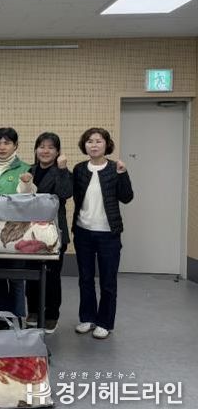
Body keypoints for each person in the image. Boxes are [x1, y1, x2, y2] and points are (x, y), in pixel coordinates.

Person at [72, 127, 133, 340]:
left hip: (109, 233)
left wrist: (123, 174)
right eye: (90, 141)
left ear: (107, 144)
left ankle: (104, 322)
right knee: (85, 278)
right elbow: (72, 194)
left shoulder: (115, 168)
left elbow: (127, 197)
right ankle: (87, 317)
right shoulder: (80, 169)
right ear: (84, 145)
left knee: (108, 281)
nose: (94, 145)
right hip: (83, 232)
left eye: (99, 141)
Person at [0, 127, 35, 325]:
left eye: (7, 143)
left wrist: (26, 184)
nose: (2, 147)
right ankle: (3, 314)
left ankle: (17, 316)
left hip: (17, 230)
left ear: (15, 145)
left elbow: (29, 197)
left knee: (16, 276)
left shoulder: (26, 168)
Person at [25, 132, 73, 333]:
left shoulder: (63, 171)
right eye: (41, 146)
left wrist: (62, 170)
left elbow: (65, 193)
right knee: (31, 274)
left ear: (57, 152)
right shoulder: (29, 170)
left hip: (54, 230)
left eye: (50, 147)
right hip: (30, 232)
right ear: (36, 149)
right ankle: (33, 311)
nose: (45, 151)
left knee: (52, 277)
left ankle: (52, 315)